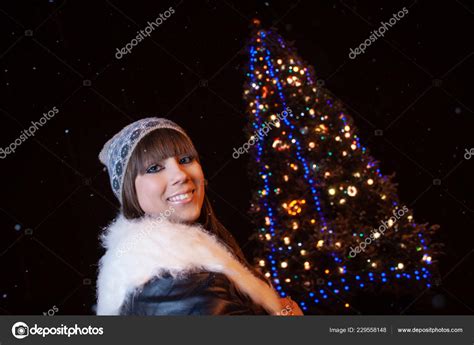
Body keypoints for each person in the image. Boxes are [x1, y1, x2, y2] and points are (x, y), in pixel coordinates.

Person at [95, 117, 303, 316]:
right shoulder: (174, 278)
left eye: (185, 159)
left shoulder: (197, 255)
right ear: (128, 190)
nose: (180, 175)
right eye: (154, 168)